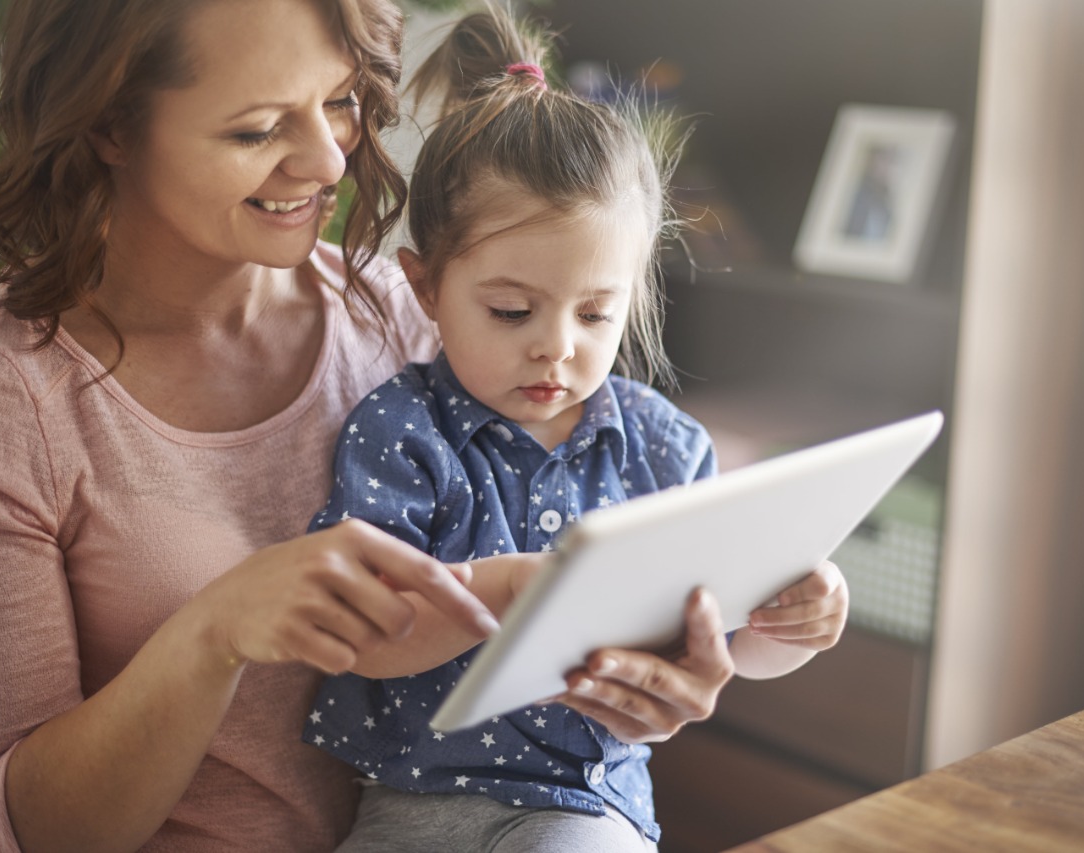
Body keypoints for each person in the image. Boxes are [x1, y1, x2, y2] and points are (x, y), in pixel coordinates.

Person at [0, 1, 747, 851]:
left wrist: (665, 661)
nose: (330, 162)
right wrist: (213, 635)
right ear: (109, 123)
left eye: (341, 102)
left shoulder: (408, 319)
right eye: (256, 131)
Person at [301, 10, 850, 852]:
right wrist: (517, 590)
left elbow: (725, 645)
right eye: (511, 309)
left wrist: (790, 626)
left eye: (597, 313)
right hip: (410, 804)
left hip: (585, 808)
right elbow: (360, 639)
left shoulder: (664, 448)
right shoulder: (401, 430)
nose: (556, 344)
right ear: (425, 285)